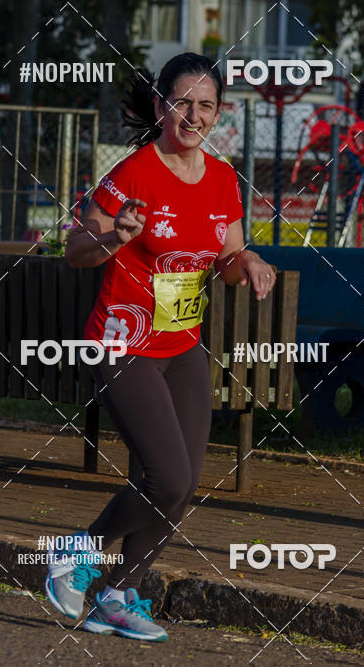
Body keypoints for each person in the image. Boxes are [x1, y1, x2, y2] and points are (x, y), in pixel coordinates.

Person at [45, 52, 276, 642]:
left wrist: (245, 260)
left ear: (218, 114)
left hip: (183, 346)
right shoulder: (135, 173)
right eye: (182, 103)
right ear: (160, 106)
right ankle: (79, 550)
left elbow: (224, 262)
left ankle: (119, 596)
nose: (193, 115)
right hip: (122, 344)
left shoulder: (224, 179)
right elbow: (75, 251)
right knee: (167, 477)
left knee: (183, 483)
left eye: (206, 106)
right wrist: (112, 238)